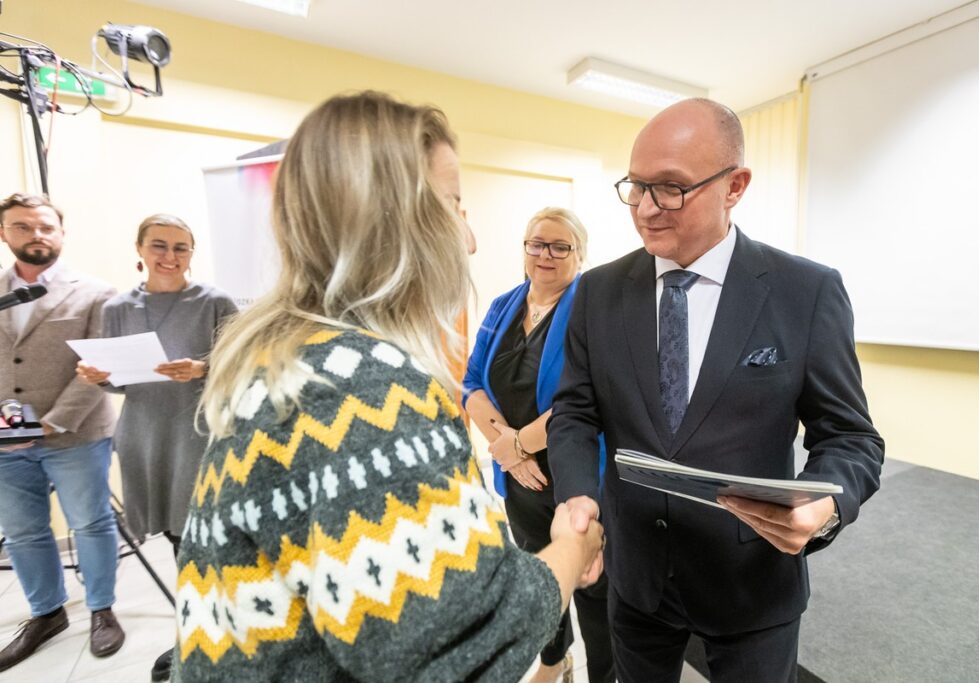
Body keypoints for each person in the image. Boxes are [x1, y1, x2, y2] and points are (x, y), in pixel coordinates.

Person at [172, 91, 604, 681]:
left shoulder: (298, 357)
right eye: (455, 205)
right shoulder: (365, 391)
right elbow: (453, 643)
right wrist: (573, 548)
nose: (469, 240)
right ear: (395, 222)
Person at [547, 98, 885, 682]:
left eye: (671, 189)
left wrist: (823, 504)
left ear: (735, 186)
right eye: (637, 186)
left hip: (752, 582)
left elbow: (851, 437)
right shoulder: (598, 291)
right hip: (637, 578)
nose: (646, 210)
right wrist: (576, 494)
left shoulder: (805, 292)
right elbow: (575, 411)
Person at [75, 213, 237, 681]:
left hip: (198, 434)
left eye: (180, 247)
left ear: (192, 253)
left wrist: (203, 369)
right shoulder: (118, 308)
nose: (169, 256)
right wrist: (100, 377)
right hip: (146, 436)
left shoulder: (215, 302)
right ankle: (197, 637)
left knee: (204, 544)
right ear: (140, 249)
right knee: (177, 543)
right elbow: (120, 386)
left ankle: (210, 638)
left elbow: (245, 364)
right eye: (159, 246)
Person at [464, 207, 613, 683]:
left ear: (579, 255)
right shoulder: (504, 305)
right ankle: (554, 659)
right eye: (535, 244)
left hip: (577, 475)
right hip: (518, 478)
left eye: (559, 246)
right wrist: (504, 446)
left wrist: (516, 446)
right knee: (537, 574)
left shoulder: (593, 310)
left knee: (591, 584)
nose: (545, 255)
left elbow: (588, 397)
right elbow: (471, 384)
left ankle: (603, 673)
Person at [0, 193, 125, 673]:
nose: (36, 235)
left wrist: (51, 422)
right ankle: (46, 613)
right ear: (5, 233)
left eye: (45, 227)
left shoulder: (94, 292)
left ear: (61, 233)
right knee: (24, 532)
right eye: (23, 226)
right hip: (7, 438)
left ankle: (101, 609)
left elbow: (98, 367)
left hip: (75, 432)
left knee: (90, 524)